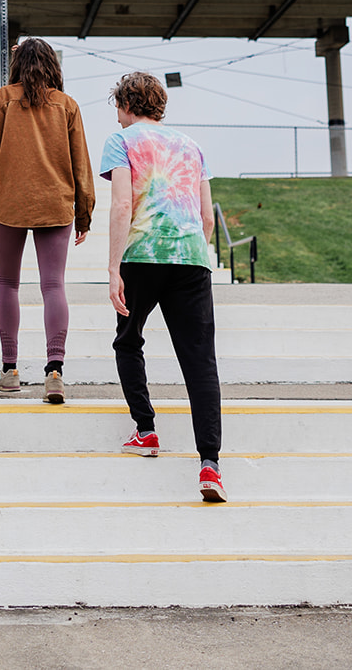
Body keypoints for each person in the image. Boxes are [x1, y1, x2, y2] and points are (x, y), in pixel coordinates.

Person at [101, 72, 225, 503]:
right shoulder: (192, 146)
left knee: (128, 341)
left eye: (117, 106)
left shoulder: (122, 141)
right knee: (200, 363)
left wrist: (113, 268)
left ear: (126, 104)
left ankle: (147, 430)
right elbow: (208, 218)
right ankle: (210, 464)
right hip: (191, 258)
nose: (117, 116)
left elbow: (121, 205)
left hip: (141, 255)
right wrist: (193, 252)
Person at [0, 38, 95, 403]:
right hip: (55, 205)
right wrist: (84, 213)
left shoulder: (3, 99)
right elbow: (81, 165)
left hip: (9, 202)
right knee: (53, 286)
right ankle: (54, 372)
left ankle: (10, 371)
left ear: (17, 65)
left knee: (8, 283)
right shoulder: (67, 105)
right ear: (54, 66)